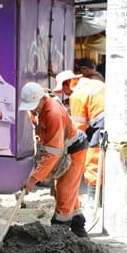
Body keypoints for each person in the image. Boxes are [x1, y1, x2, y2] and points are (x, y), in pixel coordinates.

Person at [19, 81, 90, 237]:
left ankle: (59, 231)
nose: (32, 109)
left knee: (65, 191)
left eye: (34, 105)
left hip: (74, 150)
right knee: (65, 190)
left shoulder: (53, 113)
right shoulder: (35, 110)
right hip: (63, 149)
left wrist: (34, 178)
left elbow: (53, 152)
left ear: (43, 99)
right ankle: (78, 227)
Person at [53, 69, 106, 195]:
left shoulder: (77, 95)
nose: (65, 94)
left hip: (102, 122)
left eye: (63, 90)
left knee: (92, 159)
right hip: (116, 119)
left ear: (68, 83)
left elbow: (78, 128)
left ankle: (93, 196)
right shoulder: (92, 84)